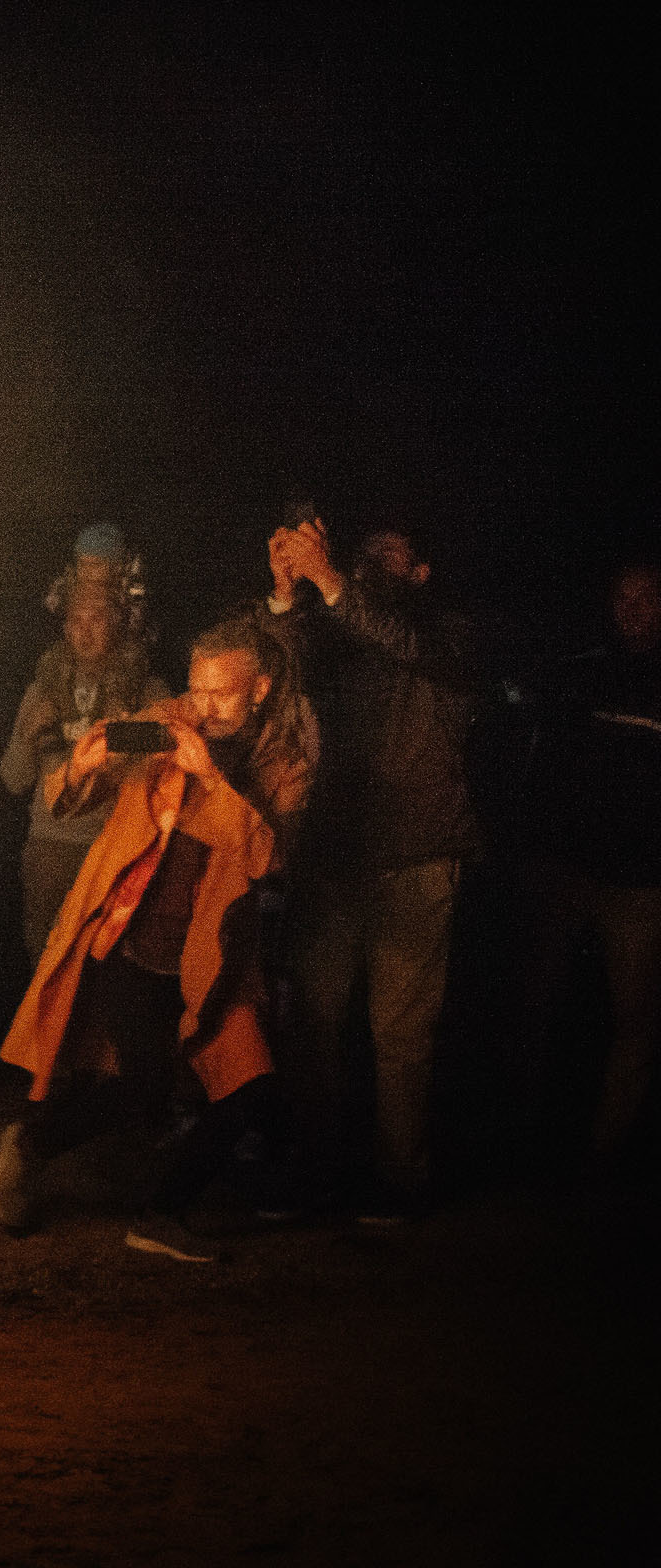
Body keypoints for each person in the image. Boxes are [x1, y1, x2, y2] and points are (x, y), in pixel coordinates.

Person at [0, 613, 311, 1261]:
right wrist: (82, 767)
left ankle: (161, 1214)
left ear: (261, 690)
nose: (206, 707)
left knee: (246, 1083)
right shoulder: (166, 721)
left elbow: (270, 856)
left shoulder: (283, 763)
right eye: (198, 689)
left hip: (214, 954)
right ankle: (31, 1144)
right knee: (142, 1091)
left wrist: (212, 777)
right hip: (132, 941)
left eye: (222, 693)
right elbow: (70, 798)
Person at [268, 518, 476, 1220]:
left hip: (417, 861)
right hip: (335, 858)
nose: (376, 565)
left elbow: (403, 641)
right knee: (315, 1025)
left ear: (422, 574)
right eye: (367, 557)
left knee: (402, 1037)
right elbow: (278, 664)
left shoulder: (451, 634)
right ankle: (315, 1173)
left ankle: (399, 1180)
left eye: (396, 555)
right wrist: (285, 591)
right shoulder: (341, 632)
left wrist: (328, 582)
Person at [517, 558, 661, 1168]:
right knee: (534, 998)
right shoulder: (583, 674)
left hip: (642, 880)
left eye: (644, 598)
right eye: (622, 597)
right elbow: (542, 765)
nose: (630, 609)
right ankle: (519, 1136)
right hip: (567, 870)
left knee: (634, 1014)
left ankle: (604, 1151)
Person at [1, 578, 172, 958]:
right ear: (64, 627)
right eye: (76, 620)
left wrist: (125, 737)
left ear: (118, 623)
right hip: (49, 850)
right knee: (44, 966)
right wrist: (29, 735)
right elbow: (13, 780)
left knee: (106, 968)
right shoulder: (41, 691)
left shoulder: (146, 690)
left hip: (113, 851)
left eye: (97, 619)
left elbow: (171, 761)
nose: (85, 631)